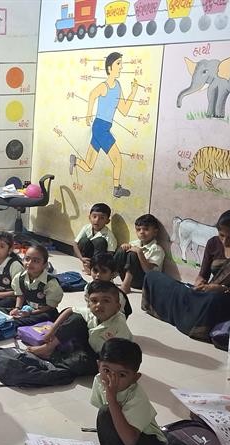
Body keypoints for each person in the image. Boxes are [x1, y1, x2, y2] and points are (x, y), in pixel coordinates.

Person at [142, 209, 230, 341]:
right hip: (209, 292)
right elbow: (203, 275)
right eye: (221, 235)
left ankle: (193, 322)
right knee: (153, 277)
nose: (225, 241)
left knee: (213, 299)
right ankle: (189, 312)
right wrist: (199, 282)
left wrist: (222, 289)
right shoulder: (213, 243)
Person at [91, 339, 168, 445]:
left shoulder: (137, 398)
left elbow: (130, 441)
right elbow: (108, 426)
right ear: (98, 365)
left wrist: (112, 399)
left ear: (135, 377)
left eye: (121, 374)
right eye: (106, 370)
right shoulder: (99, 380)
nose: (111, 379)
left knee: (106, 412)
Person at [70, 51, 140, 198]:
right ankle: (116, 189)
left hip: (102, 127)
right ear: (109, 68)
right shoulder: (104, 86)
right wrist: (89, 113)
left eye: (121, 64)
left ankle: (75, 161)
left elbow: (124, 110)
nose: (121, 67)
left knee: (88, 166)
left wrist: (133, 92)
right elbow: (92, 95)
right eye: (118, 63)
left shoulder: (118, 86)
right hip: (101, 127)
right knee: (118, 159)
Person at [28, 280, 131, 360]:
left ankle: (57, 359)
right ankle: (49, 348)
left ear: (117, 307)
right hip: (88, 343)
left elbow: (121, 354)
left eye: (106, 301)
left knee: (79, 362)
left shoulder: (119, 326)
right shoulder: (91, 313)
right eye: (94, 301)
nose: (99, 305)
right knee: (76, 318)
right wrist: (52, 331)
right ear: (88, 304)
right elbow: (69, 310)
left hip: (102, 357)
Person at [8, 244, 63, 326]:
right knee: (2, 307)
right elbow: (20, 295)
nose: (29, 263)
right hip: (28, 306)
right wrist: (17, 308)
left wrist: (30, 313)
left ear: (45, 265)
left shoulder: (50, 283)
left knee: (18, 322)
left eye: (36, 261)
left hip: (44, 311)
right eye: (27, 259)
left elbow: (50, 306)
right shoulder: (19, 277)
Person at [115, 213, 164, 293]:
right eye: (138, 230)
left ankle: (126, 285)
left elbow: (148, 271)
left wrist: (139, 252)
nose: (141, 232)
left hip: (144, 282)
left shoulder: (157, 249)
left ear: (155, 232)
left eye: (146, 229)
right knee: (122, 249)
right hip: (129, 277)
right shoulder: (135, 243)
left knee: (133, 254)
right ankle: (108, 275)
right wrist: (124, 246)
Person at [73, 203, 118, 273]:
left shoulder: (109, 235)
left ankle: (95, 268)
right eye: (94, 216)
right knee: (84, 240)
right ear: (89, 217)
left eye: (102, 218)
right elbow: (75, 243)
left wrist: (101, 266)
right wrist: (81, 258)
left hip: (99, 260)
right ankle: (86, 265)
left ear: (107, 221)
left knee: (100, 241)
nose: (97, 220)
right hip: (86, 257)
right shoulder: (86, 228)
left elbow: (110, 254)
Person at [88, 253, 133, 318]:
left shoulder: (117, 294)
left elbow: (120, 316)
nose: (98, 274)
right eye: (95, 270)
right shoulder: (88, 287)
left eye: (104, 271)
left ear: (113, 274)